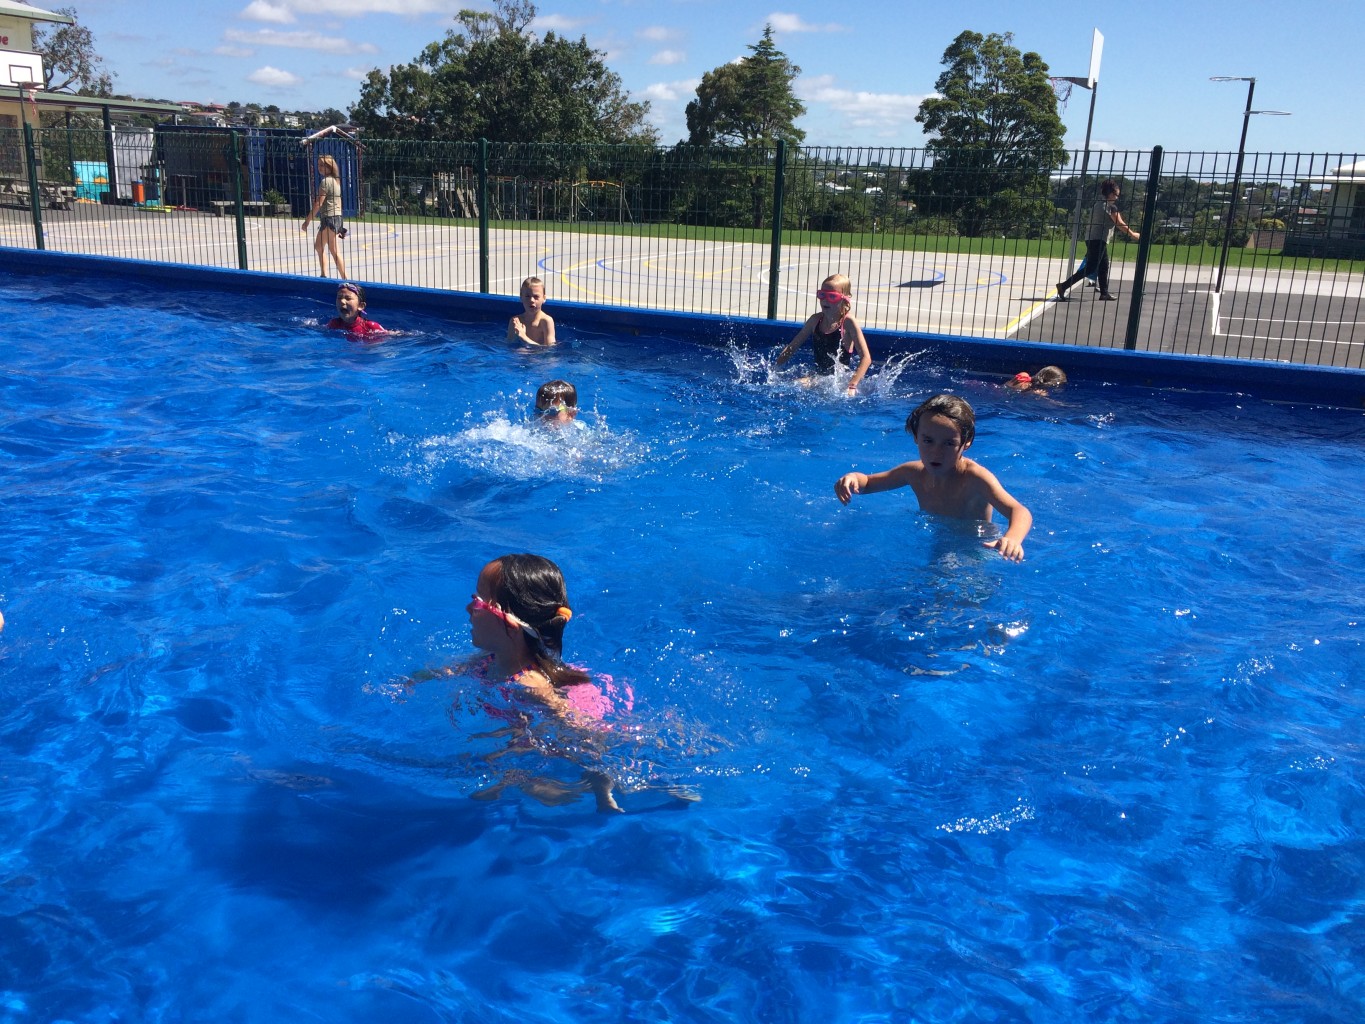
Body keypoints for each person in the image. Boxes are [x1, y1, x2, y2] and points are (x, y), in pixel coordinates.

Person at [463, 553, 626, 812]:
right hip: (521, 717)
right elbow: (447, 671)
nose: (469, 608)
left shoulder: (530, 684)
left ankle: (599, 784)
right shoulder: (487, 658)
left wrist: (600, 759)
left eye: (479, 602)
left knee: (508, 764)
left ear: (511, 626)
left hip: (557, 727)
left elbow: (574, 726)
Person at [834, 393, 1033, 562]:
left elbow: (1019, 511)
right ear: (916, 437)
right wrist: (853, 479)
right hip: (938, 540)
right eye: (928, 441)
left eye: (949, 443)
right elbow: (869, 483)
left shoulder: (975, 478)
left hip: (976, 549)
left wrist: (1012, 538)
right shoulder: (913, 473)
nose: (936, 452)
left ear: (966, 442)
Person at [774, 273, 873, 395]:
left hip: (839, 382)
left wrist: (852, 385)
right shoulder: (815, 320)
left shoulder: (848, 323)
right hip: (818, 378)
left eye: (832, 296)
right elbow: (792, 347)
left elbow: (866, 358)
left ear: (844, 299)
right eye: (822, 295)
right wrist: (775, 368)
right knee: (790, 387)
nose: (825, 300)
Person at [1056, 179, 1139, 302]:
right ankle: (1063, 286)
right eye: (1116, 195)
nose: (1117, 197)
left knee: (1103, 265)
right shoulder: (1110, 207)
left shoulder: (1098, 204)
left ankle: (1104, 293)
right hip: (1098, 239)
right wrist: (1133, 234)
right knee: (1091, 267)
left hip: (1092, 238)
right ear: (1110, 194)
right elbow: (1119, 223)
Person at [301, 154, 347, 279]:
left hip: (329, 218)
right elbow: (339, 202)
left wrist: (307, 221)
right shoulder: (336, 181)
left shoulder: (325, 182)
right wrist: (340, 224)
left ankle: (345, 279)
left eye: (322, 165)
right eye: (319, 165)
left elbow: (318, 203)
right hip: (335, 217)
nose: (320, 168)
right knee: (320, 246)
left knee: (331, 250)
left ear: (330, 166)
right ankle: (324, 274)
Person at [508, 277, 556, 346]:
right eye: (527, 296)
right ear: (521, 297)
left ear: (544, 298)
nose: (531, 300)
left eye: (536, 296)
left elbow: (550, 349)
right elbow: (510, 346)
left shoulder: (546, 321)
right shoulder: (516, 322)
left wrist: (524, 337)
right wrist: (517, 336)